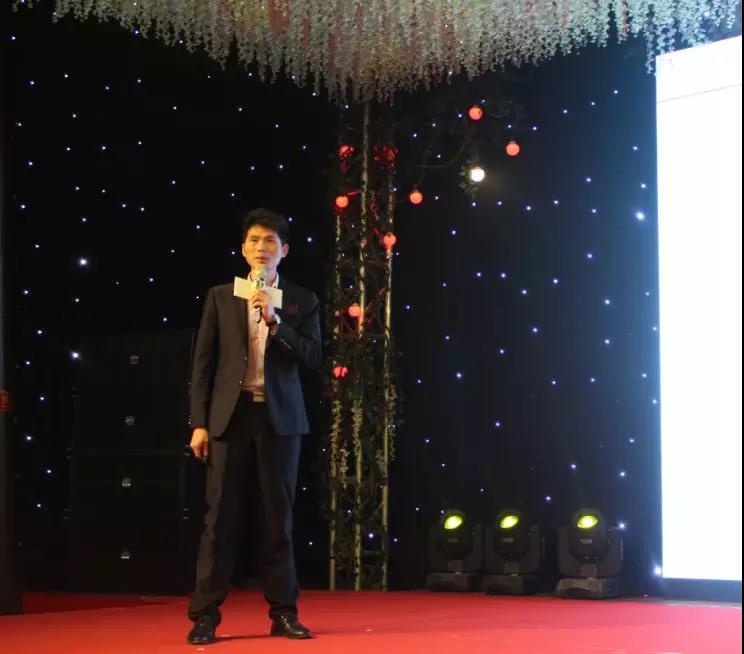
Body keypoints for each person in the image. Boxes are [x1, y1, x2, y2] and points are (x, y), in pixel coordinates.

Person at [186, 208, 322, 644]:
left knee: (278, 521)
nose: (261, 248)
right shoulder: (220, 296)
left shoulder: (302, 300)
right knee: (219, 520)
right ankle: (205, 616)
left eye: (270, 242)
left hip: (280, 419)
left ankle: (283, 613)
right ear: (243, 248)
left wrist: (276, 322)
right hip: (230, 417)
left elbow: (312, 358)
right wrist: (199, 423)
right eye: (254, 240)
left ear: (284, 250)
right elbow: (203, 366)